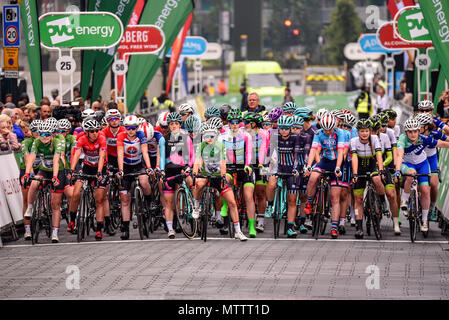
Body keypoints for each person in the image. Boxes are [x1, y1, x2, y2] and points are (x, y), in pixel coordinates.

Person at [192, 123, 248, 241]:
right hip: (205, 175)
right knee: (199, 183)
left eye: (212, 136)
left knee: (232, 202)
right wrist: (195, 172)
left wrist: (223, 176)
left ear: (216, 136)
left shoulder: (220, 146)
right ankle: (196, 207)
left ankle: (238, 231)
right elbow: (197, 160)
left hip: (218, 176)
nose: (209, 139)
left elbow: (223, 162)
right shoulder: (201, 146)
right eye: (206, 136)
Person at [395, 118, 449, 233]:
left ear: (419, 131)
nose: (413, 134)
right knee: (410, 174)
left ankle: (424, 220)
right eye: (410, 132)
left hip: (422, 164)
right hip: (407, 164)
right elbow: (399, 155)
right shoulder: (402, 139)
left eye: (415, 131)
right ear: (406, 132)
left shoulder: (424, 139)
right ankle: (404, 201)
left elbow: (441, 144)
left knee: (425, 190)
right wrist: (398, 170)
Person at [22, 120, 67, 243]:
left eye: (48, 134)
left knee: (55, 204)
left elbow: (56, 160)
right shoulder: (36, 142)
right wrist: (27, 173)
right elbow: (31, 158)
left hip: (58, 171)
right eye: (42, 134)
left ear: (52, 134)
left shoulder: (57, 142)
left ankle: (55, 232)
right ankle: (30, 208)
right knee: (34, 183)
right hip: (44, 170)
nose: (45, 137)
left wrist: (55, 176)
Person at [304, 113, 346, 239]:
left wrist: (338, 168)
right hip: (325, 161)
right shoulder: (318, 133)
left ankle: (334, 228)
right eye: (325, 129)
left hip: (337, 162)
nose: (327, 131)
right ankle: (310, 203)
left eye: (330, 129)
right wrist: (309, 165)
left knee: (335, 198)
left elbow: (340, 152)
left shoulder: (340, 133)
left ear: (334, 126)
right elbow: (313, 149)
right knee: (312, 177)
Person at [68, 119, 108, 241]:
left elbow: (102, 156)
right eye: (92, 131)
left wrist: (100, 172)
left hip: (101, 168)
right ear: (87, 132)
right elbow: (76, 154)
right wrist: (72, 169)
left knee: (99, 200)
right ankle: (72, 221)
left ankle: (99, 229)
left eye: (97, 130)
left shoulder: (101, 138)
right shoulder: (82, 139)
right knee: (76, 193)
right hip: (87, 168)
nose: (95, 133)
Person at [116, 115, 153, 240]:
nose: (131, 131)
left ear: (137, 128)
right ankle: (126, 229)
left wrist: (148, 167)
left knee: (144, 182)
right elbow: (120, 154)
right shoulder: (121, 136)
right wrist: (120, 170)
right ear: (125, 128)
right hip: (126, 166)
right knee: (125, 199)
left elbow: (145, 152)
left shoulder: (141, 135)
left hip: (138, 165)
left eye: (133, 128)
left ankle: (149, 201)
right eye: (128, 128)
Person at [159, 112, 195, 239]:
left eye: (176, 124)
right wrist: (162, 170)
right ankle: (170, 229)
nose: (174, 126)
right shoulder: (164, 139)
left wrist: (188, 166)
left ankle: (194, 205)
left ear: (180, 125)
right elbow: (162, 157)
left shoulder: (186, 138)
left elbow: (191, 155)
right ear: (168, 126)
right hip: (169, 171)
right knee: (169, 203)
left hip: (182, 169)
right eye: (171, 124)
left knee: (192, 183)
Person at [350, 119, 388, 239]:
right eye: (362, 131)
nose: (365, 133)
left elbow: (379, 155)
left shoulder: (375, 139)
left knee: (377, 180)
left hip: (372, 165)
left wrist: (381, 170)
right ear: (358, 132)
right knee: (358, 199)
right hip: (359, 167)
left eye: (367, 131)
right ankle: (359, 227)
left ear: (370, 131)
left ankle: (382, 200)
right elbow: (355, 158)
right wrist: (355, 174)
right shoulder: (353, 141)